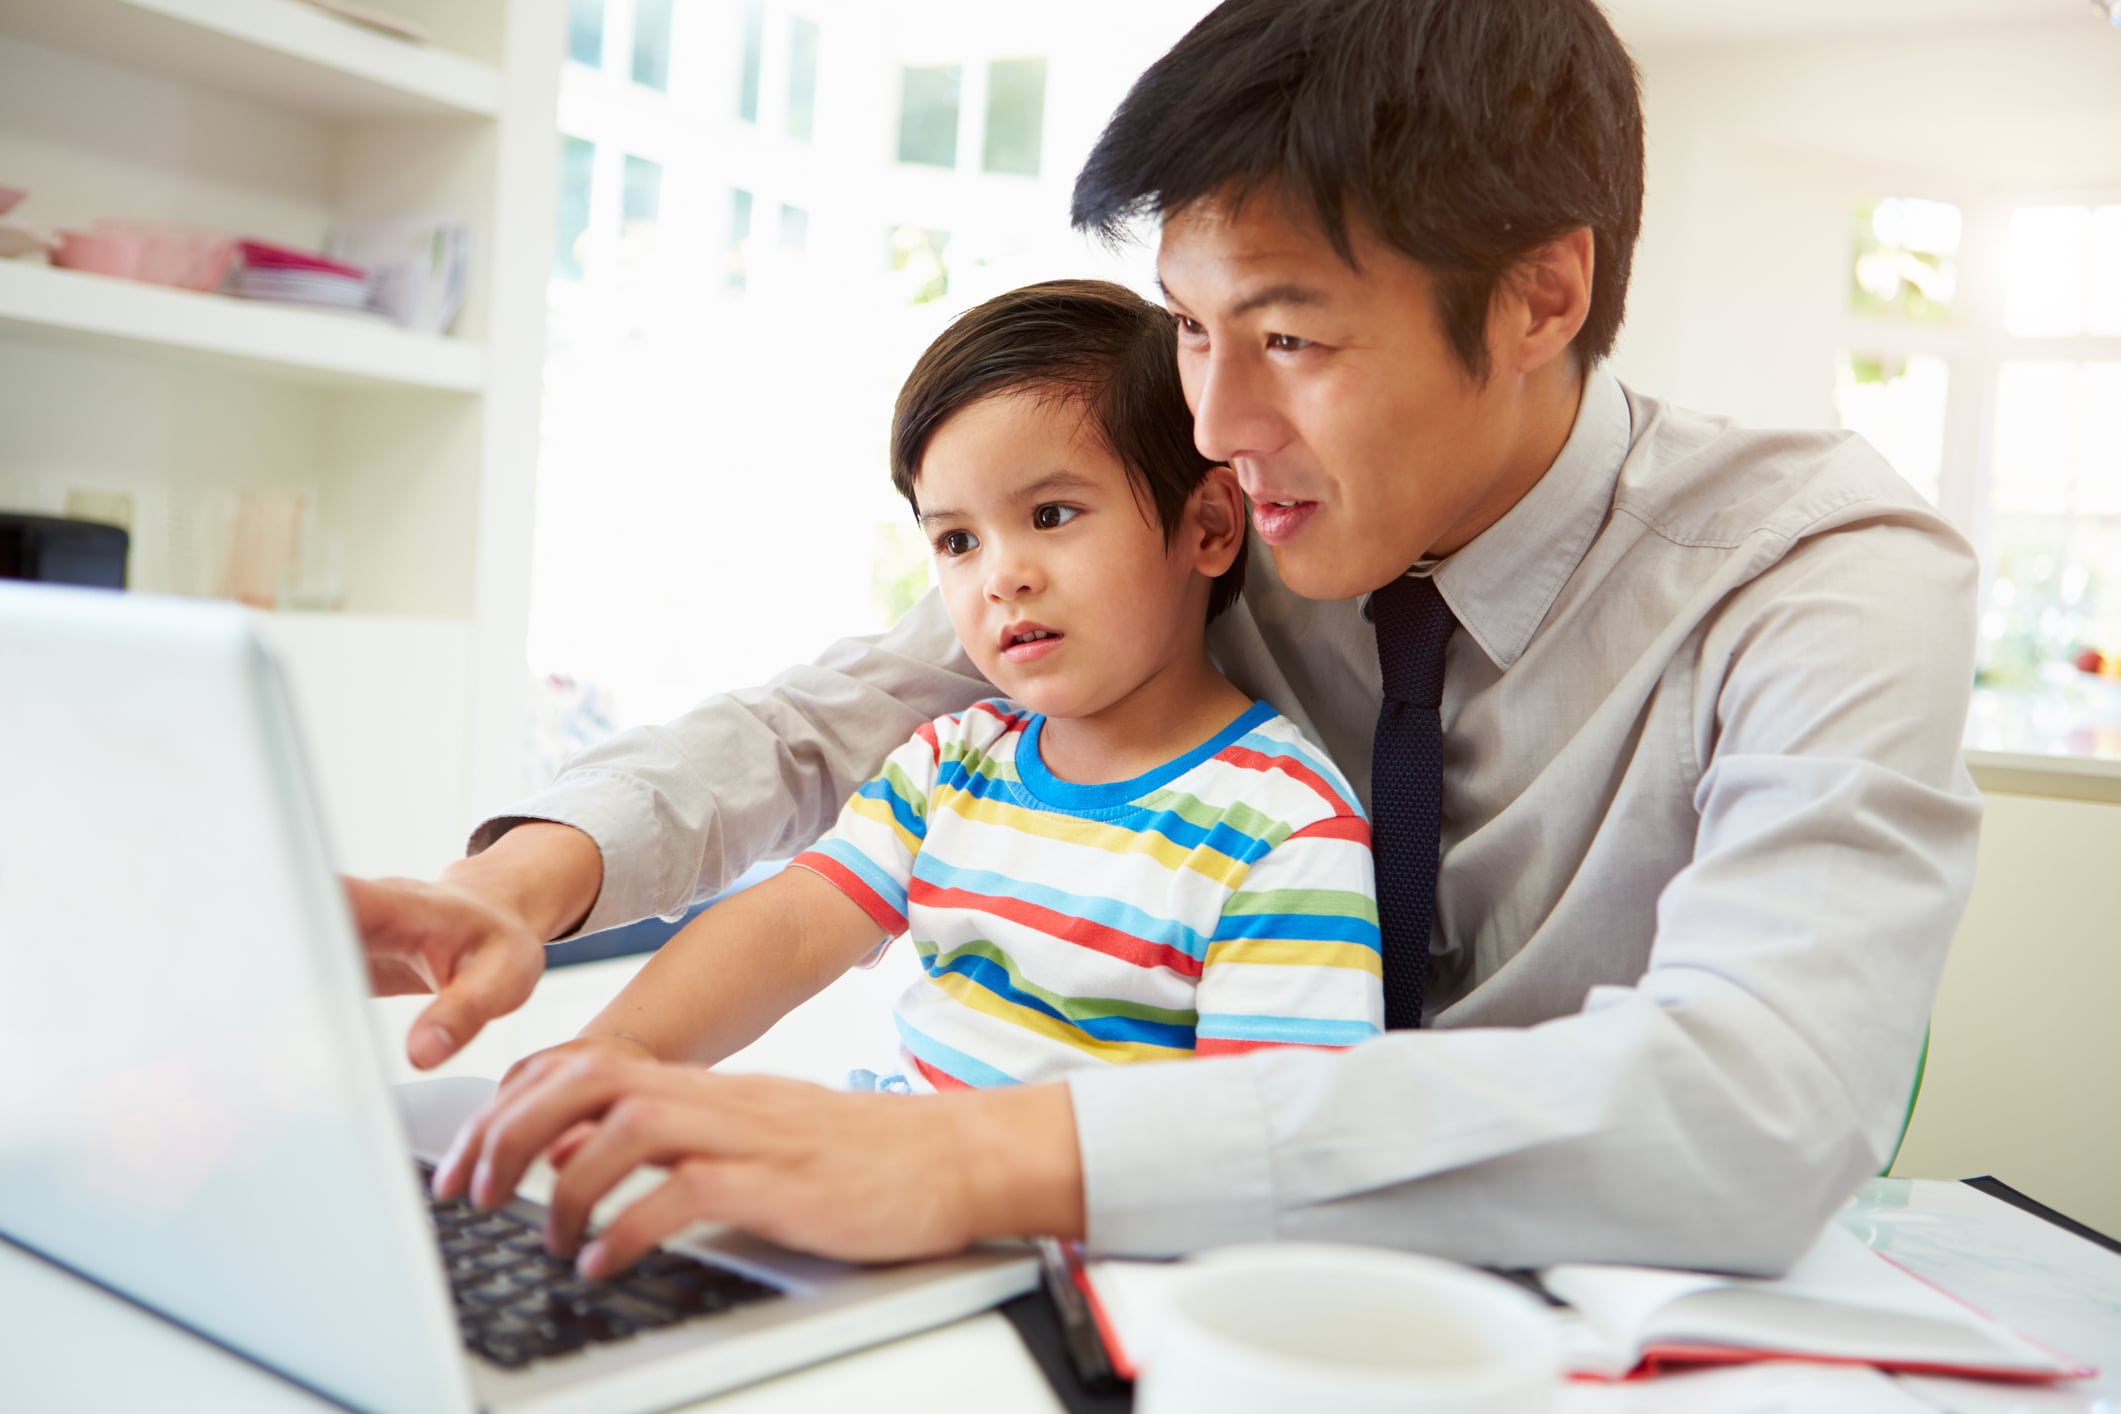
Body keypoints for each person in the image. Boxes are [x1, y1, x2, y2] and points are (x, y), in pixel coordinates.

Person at [354, 0, 1981, 1280]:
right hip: (1176, 1291)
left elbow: (1760, 1106)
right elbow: (843, 710)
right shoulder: (1226, 514)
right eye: (1192, 332)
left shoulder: (1822, 575)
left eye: (1286, 335)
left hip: (1598, 1313)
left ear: (1542, 294)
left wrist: (977, 1154)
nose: (1214, 417)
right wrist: (536, 871)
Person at [428, 281, 1380, 1207]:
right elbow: (792, 929)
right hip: (893, 1223)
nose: (1000, 576)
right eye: (957, 541)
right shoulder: (951, 761)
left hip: (1091, 1278)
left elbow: (1269, 1156)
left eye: (1050, 516)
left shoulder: (1286, 829)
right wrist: (623, 1053)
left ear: (1208, 525)